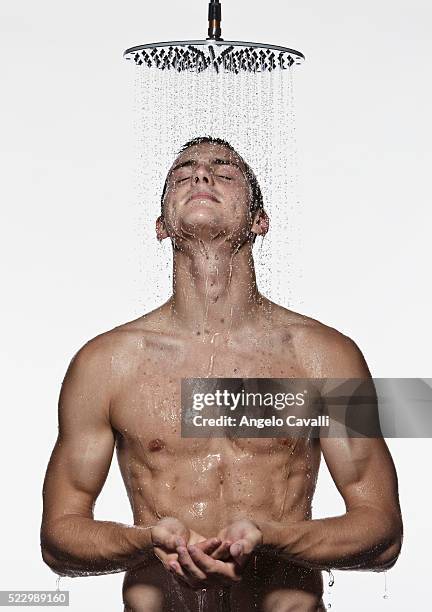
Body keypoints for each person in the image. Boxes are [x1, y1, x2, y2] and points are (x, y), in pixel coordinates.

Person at [40, 136, 403, 611]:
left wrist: (271, 536)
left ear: (259, 222)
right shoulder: (106, 363)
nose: (202, 175)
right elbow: (58, 538)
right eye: (183, 173)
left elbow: (383, 533)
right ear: (161, 226)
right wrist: (146, 540)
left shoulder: (325, 358)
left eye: (224, 173)